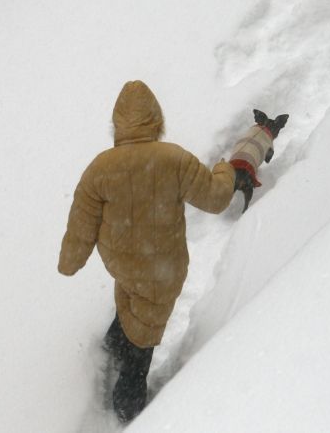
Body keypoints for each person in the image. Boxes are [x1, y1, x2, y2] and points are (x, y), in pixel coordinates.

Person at [58, 80, 235, 422]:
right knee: (145, 332)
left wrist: (70, 261)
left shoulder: (101, 168)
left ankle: (113, 346)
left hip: (124, 265)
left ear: (118, 125)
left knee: (130, 299)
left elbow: (80, 226)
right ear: (156, 120)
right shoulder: (174, 160)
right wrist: (224, 170)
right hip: (163, 270)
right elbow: (216, 198)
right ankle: (128, 404)